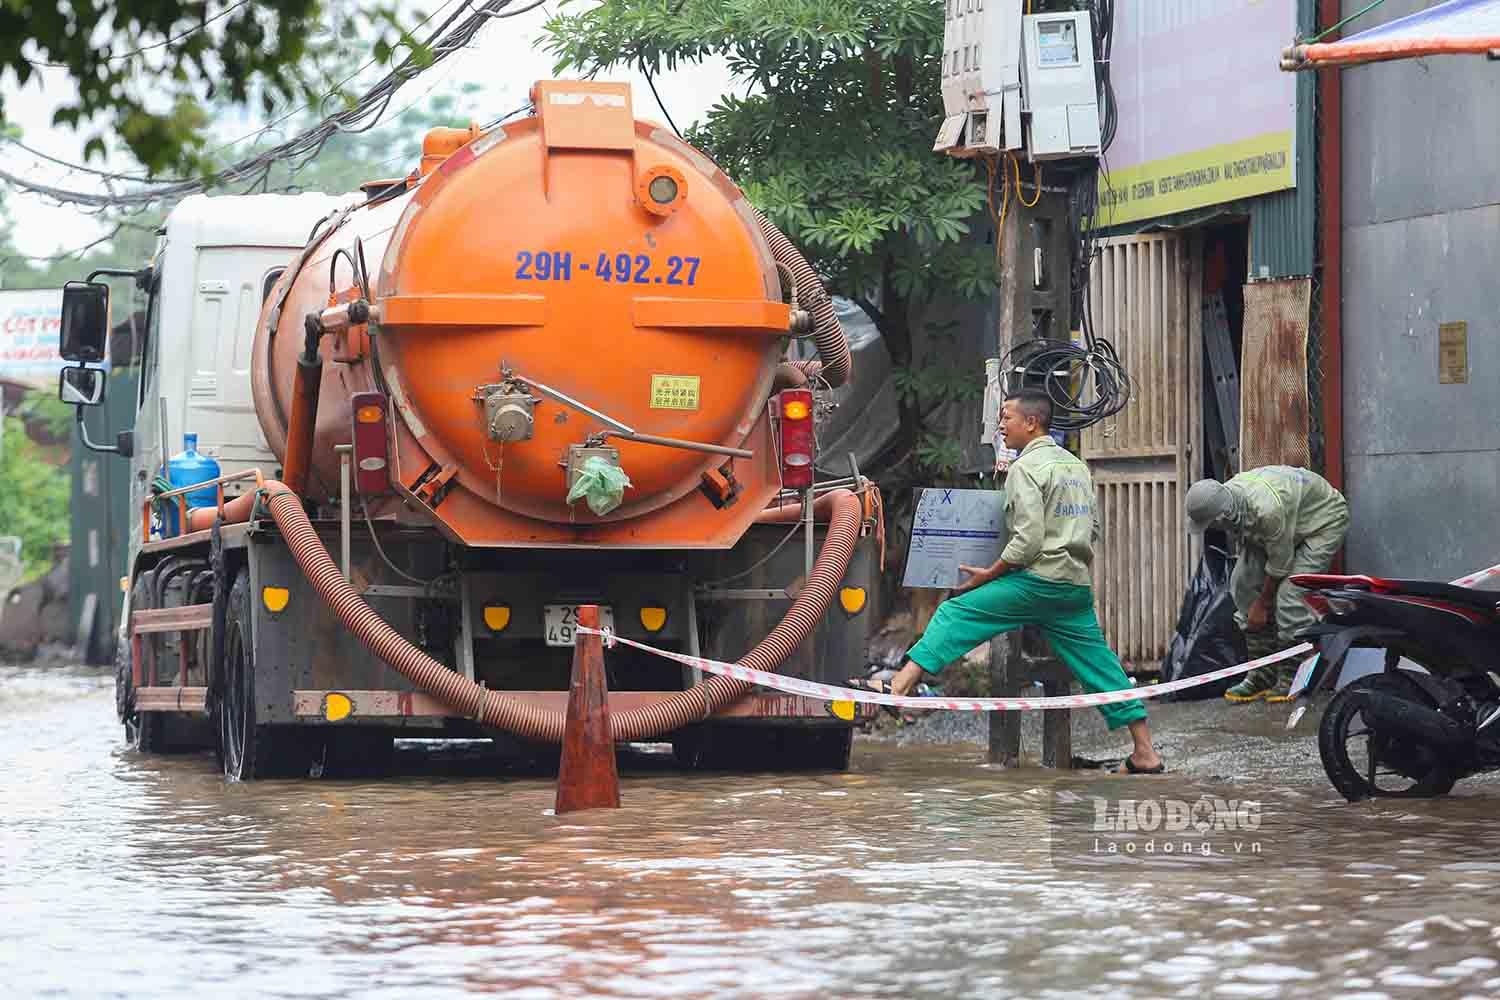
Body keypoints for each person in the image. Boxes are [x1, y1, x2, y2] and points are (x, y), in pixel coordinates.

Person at [855, 389, 1165, 774]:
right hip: (1073, 586)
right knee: (1101, 666)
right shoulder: (1074, 466)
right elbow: (1093, 529)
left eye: (1007, 418)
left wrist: (991, 573)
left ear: (1031, 423)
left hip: (1038, 582)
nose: (1001, 426)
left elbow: (1028, 539)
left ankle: (898, 688)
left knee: (956, 611)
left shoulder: (1026, 469)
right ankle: (1145, 751)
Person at [1184, 467, 1350, 702]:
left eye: (1211, 523)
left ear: (1222, 515)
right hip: (1284, 524)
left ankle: (1292, 675)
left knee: (1290, 597)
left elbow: (1280, 563)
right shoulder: (1230, 499)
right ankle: (1262, 673)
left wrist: (1262, 604)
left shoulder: (1267, 510)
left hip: (1322, 522)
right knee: (1242, 584)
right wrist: (1253, 598)